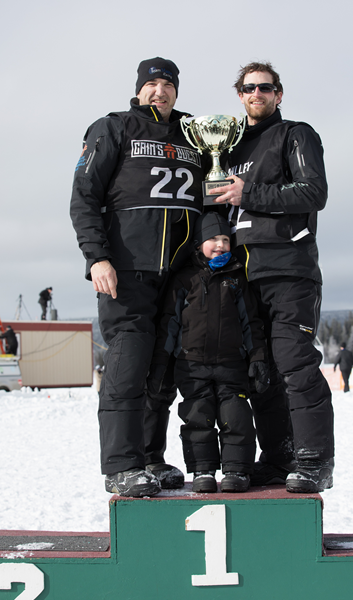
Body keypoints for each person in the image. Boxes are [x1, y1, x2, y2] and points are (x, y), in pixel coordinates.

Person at [70, 57, 205, 498]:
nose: (159, 91)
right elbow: (84, 197)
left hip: (181, 273)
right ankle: (121, 464)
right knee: (128, 363)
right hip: (126, 269)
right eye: (152, 84)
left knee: (161, 370)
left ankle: (149, 456)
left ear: (176, 92)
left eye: (168, 84)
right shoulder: (114, 128)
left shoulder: (193, 134)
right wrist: (96, 258)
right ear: (140, 88)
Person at [212, 60, 334, 494]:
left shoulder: (295, 134)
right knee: (260, 373)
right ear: (239, 95)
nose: (256, 95)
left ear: (278, 94)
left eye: (265, 88)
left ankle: (314, 461)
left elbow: (313, 192)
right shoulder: (229, 148)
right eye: (248, 89)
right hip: (243, 275)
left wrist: (252, 193)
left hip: (289, 269)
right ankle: (280, 457)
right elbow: (219, 207)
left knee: (296, 366)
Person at [148, 212, 270, 493]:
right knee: (196, 417)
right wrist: (161, 364)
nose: (220, 245)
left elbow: (251, 322)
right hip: (191, 365)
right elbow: (170, 324)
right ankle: (203, 469)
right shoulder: (184, 279)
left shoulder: (237, 278)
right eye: (213, 239)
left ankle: (236, 470)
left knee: (236, 416)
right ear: (198, 243)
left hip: (231, 365)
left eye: (225, 239)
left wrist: (258, 358)